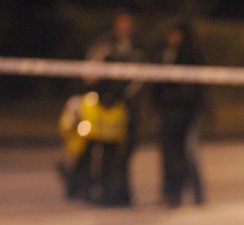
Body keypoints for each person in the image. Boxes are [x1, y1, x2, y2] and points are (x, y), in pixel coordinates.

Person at [86, 9, 145, 206]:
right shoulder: (106, 45)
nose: (125, 27)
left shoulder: (137, 47)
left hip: (129, 108)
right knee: (107, 150)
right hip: (108, 107)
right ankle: (105, 192)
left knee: (126, 151)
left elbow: (141, 77)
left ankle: (123, 193)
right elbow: (90, 71)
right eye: (121, 23)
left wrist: (127, 97)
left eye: (128, 24)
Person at [151, 20, 207, 207]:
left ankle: (197, 192)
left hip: (187, 112)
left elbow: (197, 89)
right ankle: (171, 193)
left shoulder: (191, 55)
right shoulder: (165, 54)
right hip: (169, 111)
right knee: (170, 153)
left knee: (188, 152)